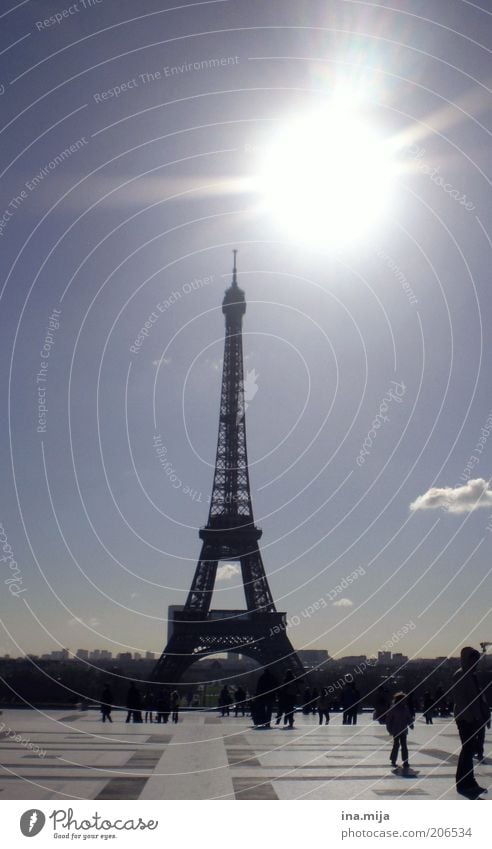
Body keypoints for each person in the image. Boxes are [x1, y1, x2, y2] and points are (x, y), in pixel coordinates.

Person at [452, 646, 490, 799]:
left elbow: (479, 698)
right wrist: (471, 718)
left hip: (475, 718)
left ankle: (469, 781)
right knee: (467, 750)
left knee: (469, 751)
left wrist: (484, 716)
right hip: (466, 719)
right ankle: (464, 782)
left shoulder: (471, 675)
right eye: (473, 660)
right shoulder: (461, 676)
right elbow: (461, 700)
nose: (476, 664)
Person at [386, 691, 414, 772]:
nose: (405, 701)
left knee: (404, 746)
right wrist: (389, 729)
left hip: (403, 730)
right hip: (395, 730)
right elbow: (389, 720)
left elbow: (409, 717)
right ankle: (393, 760)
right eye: (404, 700)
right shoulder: (393, 708)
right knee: (396, 745)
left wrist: (411, 724)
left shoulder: (405, 708)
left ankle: (405, 761)